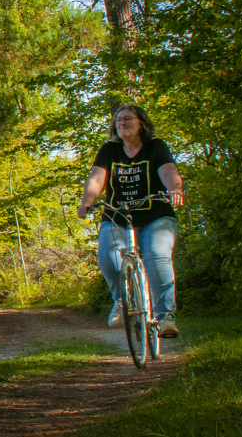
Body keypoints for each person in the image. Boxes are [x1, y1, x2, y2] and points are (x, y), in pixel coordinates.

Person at [76, 104, 186, 337]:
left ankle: (165, 316)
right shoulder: (109, 150)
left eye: (127, 119)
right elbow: (97, 178)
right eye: (118, 120)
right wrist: (87, 200)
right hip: (117, 217)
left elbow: (168, 171)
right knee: (109, 257)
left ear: (142, 125)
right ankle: (122, 301)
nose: (122, 123)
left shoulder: (155, 147)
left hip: (155, 217)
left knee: (157, 257)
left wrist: (174, 188)